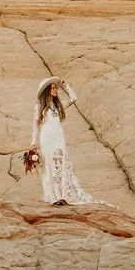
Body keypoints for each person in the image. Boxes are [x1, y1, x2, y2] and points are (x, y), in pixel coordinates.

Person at [27, 76, 94, 206]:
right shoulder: (40, 107)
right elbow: (35, 125)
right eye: (52, 88)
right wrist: (33, 143)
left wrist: (66, 86)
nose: (55, 90)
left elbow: (74, 98)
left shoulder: (58, 106)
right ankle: (54, 196)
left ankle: (62, 194)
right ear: (47, 91)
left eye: (55, 88)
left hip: (58, 137)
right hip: (47, 138)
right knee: (50, 165)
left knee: (60, 163)